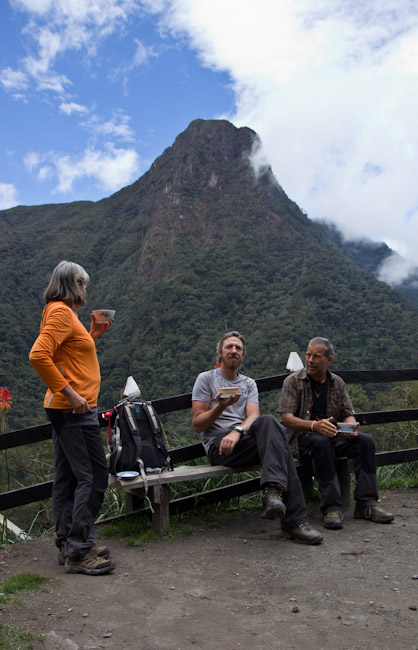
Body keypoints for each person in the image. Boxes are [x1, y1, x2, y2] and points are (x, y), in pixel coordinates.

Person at [192, 331, 323, 545]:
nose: (234, 351)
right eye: (229, 347)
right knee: (280, 443)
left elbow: (253, 416)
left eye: (238, 348)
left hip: (242, 440)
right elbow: (198, 424)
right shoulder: (206, 379)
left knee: (269, 422)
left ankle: (273, 493)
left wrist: (237, 431)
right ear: (220, 352)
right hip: (219, 447)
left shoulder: (249, 384)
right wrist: (220, 407)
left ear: (243, 355)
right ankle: (294, 521)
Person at [29, 260, 115, 575]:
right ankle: (80, 550)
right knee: (93, 475)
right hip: (73, 409)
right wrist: (71, 393)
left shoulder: (63, 313)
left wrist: (92, 334)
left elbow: (71, 356)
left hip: (67, 408)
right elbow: (38, 355)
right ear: (74, 283)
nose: (86, 290)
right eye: (84, 284)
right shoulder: (62, 313)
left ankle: (68, 541)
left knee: (67, 477)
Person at [279, 336, 394, 530]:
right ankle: (331, 507)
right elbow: (286, 419)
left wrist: (351, 428)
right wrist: (314, 426)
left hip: (333, 436)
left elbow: (348, 413)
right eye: (308, 355)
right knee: (320, 442)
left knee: (364, 442)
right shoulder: (294, 381)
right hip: (302, 439)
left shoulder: (337, 382)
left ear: (328, 360)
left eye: (316, 356)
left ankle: (366, 503)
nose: (310, 360)